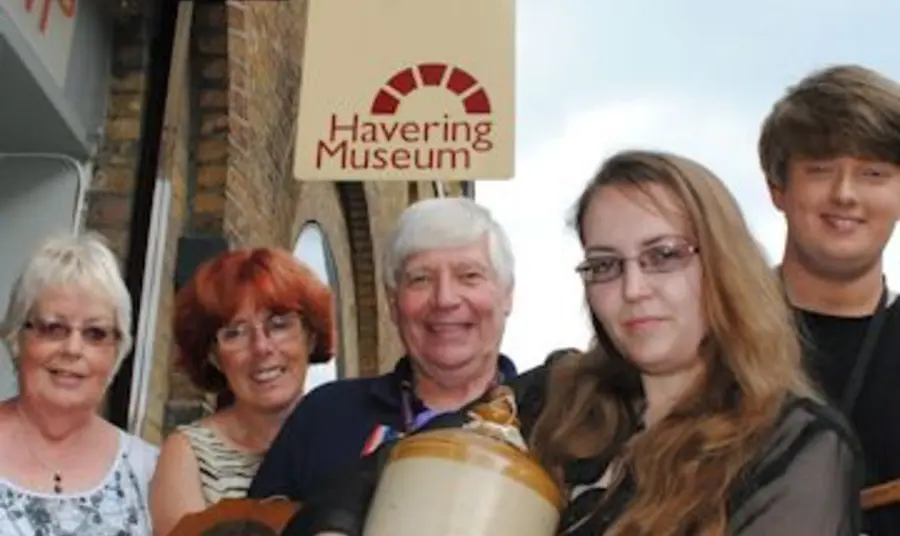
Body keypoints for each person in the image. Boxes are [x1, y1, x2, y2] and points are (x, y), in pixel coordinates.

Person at [288, 150, 863, 536]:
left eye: (663, 256)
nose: (633, 290)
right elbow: (368, 479)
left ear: (723, 263)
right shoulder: (554, 395)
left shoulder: (798, 447)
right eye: (606, 265)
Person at [247, 196, 518, 502]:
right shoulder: (326, 416)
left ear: (507, 295)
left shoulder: (552, 425)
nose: (444, 299)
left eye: (469, 276)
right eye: (420, 279)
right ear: (393, 304)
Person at [759, 64, 900, 534]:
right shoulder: (706, 331)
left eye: (873, 174)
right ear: (777, 188)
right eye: (820, 171)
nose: (845, 195)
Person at [149, 247, 335, 536]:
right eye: (235, 332)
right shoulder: (189, 455)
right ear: (213, 355)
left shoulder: (347, 434)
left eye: (279, 325)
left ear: (310, 337)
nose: (261, 347)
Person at [0, 233, 159, 535]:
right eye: (53, 328)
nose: (73, 349)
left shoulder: (149, 473)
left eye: (95, 333)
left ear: (117, 350)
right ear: (17, 336)